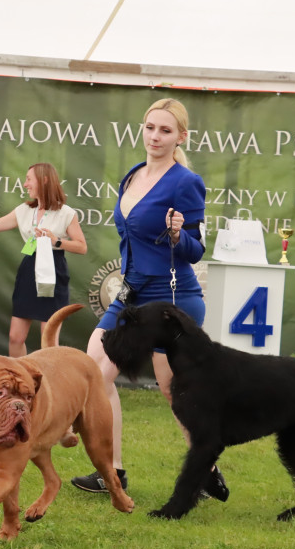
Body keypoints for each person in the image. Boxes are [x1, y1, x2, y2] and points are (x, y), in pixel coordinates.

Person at [69, 97, 228, 502]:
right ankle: (113, 472)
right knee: (94, 371)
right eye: (151, 127)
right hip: (131, 293)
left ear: (180, 137)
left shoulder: (185, 182)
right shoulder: (133, 175)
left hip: (172, 299)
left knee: (173, 392)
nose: (155, 136)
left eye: (166, 130)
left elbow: (195, 249)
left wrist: (179, 234)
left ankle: (207, 467)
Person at [0, 162, 87, 357]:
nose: (25, 184)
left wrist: (56, 240)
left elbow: (82, 246)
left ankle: (51, 384)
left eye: (28, 179)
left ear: (44, 180)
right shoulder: (24, 210)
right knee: (15, 337)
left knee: (48, 339)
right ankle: (20, 380)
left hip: (54, 271)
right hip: (28, 270)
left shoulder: (66, 213)